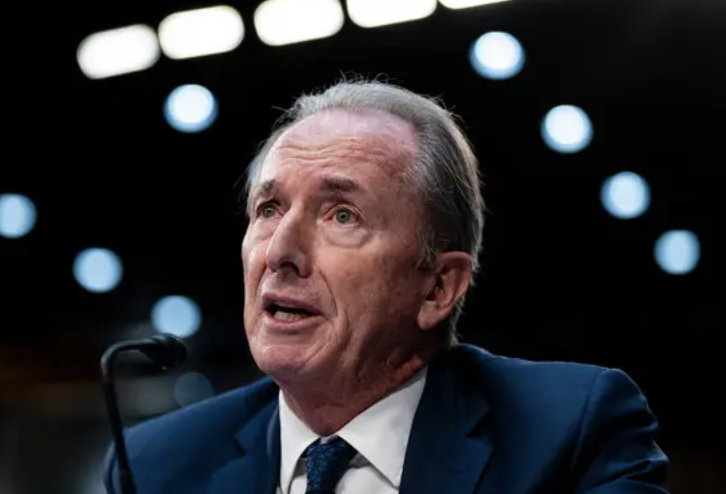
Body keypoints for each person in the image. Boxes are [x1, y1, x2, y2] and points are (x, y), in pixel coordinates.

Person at [103, 79, 670, 494]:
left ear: (438, 288)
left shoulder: (568, 433)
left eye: (342, 215)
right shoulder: (157, 466)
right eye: (269, 208)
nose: (279, 252)